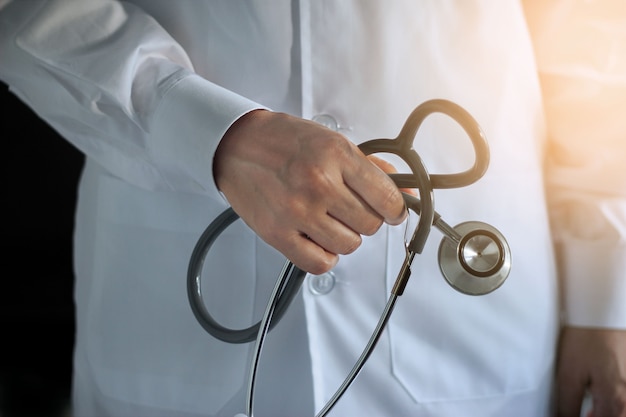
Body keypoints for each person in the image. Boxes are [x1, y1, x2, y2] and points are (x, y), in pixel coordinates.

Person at [1, 1, 624, 416]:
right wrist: (205, 129)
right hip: (171, 303)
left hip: (468, 331)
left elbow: (590, 28)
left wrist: (608, 289)